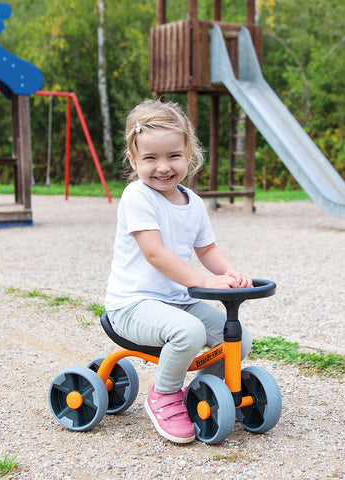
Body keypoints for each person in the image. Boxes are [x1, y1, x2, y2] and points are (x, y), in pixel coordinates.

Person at [105, 99, 253, 444]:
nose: (163, 167)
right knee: (187, 331)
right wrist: (202, 281)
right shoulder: (137, 196)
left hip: (175, 301)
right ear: (133, 160)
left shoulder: (194, 203)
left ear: (189, 154)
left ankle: (202, 389)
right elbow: (155, 253)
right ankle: (165, 394)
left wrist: (230, 275)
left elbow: (208, 249)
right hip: (132, 305)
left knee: (238, 338)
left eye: (173, 156)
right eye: (150, 158)